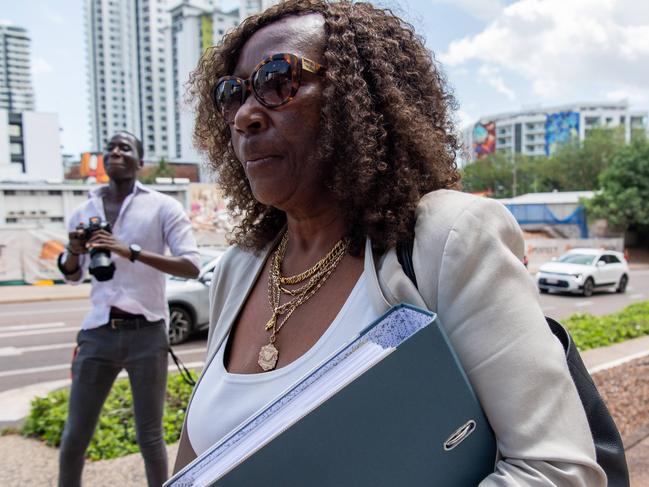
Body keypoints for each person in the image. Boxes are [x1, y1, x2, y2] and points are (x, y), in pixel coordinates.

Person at [174, 1, 606, 484]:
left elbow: (555, 469)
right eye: (231, 94)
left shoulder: (446, 239)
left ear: (361, 99)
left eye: (278, 81)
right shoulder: (239, 268)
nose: (245, 116)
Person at [57, 131, 201, 487]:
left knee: (150, 438)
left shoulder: (163, 206)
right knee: (74, 436)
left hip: (147, 333)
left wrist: (129, 251)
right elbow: (72, 276)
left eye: (125, 148)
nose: (115, 152)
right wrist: (75, 250)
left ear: (140, 162)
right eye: (110, 148)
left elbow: (192, 265)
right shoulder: (83, 211)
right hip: (97, 334)